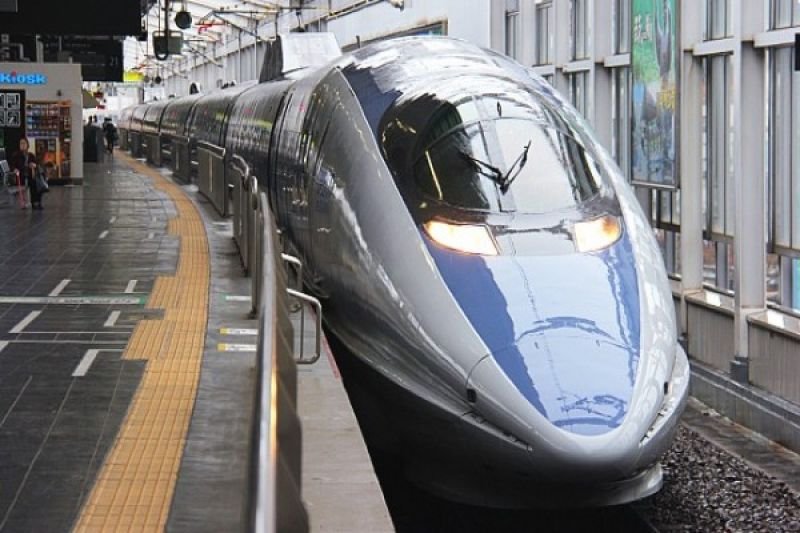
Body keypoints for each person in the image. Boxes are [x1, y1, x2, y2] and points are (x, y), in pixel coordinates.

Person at [10, 138, 43, 210]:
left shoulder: (31, 155)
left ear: (27, 145)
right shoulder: (16, 155)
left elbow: (36, 164)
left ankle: (36, 202)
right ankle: (26, 202)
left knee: (37, 184)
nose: (22, 145)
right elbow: (12, 166)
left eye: (24, 143)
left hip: (30, 175)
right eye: (21, 143)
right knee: (30, 183)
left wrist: (34, 165)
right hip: (20, 176)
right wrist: (15, 169)